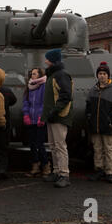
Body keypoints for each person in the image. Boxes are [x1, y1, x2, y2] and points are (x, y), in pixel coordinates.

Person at [41, 49, 74, 188]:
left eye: (47, 58)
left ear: (53, 60)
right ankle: (56, 171)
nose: (45, 61)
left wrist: (55, 111)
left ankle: (64, 175)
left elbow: (66, 95)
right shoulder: (53, 74)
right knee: (53, 146)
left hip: (59, 116)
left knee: (60, 146)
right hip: (52, 116)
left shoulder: (61, 75)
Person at [86, 62, 112, 183]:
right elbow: (88, 107)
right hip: (95, 126)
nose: (102, 76)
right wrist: (89, 117)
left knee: (109, 149)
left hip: (108, 126)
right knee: (97, 149)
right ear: (97, 75)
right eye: (100, 73)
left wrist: (110, 120)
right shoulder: (93, 90)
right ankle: (99, 170)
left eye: (104, 73)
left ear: (108, 75)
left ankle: (110, 172)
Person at [22, 68, 50, 177]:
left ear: (39, 75)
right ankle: (35, 166)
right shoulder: (29, 87)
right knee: (32, 144)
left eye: (34, 74)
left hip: (39, 120)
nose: (32, 76)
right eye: (31, 74)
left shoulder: (43, 87)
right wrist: (26, 114)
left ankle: (46, 165)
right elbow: (26, 102)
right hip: (31, 120)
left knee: (40, 144)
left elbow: (44, 102)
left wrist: (41, 117)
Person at [0, 84, 17, 180]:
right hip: (4, 123)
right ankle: (2, 169)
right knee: (3, 147)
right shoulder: (6, 90)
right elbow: (14, 101)